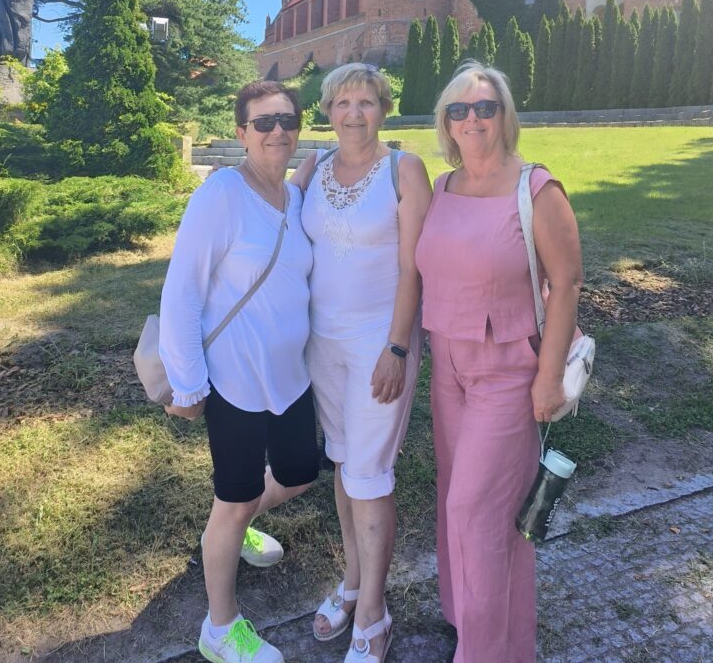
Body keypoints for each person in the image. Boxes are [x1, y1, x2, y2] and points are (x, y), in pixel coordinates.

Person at [415, 61, 583, 663]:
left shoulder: (536, 188)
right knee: (459, 501)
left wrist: (549, 377)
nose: (472, 119)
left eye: (485, 107)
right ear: (446, 123)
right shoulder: (442, 188)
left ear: (504, 116)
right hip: (447, 368)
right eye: (459, 110)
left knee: (475, 511)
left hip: (508, 372)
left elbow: (567, 283)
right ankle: (480, 630)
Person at [159, 80, 320, 663]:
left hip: (290, 376)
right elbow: (182, 291)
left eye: (287, 120)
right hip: (233, 380)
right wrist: (188, 382)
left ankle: (236, 523)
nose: (277, 131)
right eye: (263, 122)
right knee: (233, 497)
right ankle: (221, 627)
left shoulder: (295, 199)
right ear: (241, 133)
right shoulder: (222, 193)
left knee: (300, 472)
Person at [293, 63, 432, 663]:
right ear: (327, 110)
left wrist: (397, 348)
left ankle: (374, 613)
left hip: (380, 344)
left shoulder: (405, 170)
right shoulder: (313, 168)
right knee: (345, 462)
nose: (354, 113)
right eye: (343, 102)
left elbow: (414, 267)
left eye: (367, 102)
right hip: (321, 345)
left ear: (384, 109)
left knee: (369, 475)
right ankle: (352, 583)